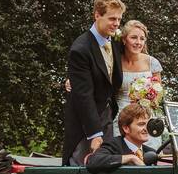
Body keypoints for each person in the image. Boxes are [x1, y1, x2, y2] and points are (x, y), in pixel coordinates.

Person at [66, 19, 165, 148]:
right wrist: (74, 79)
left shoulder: (152, 63)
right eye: (134, 37)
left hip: (146, 117)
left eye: (142, 38)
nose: (138, 42)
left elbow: (158, 93)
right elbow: (97, 76)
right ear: (124, 39)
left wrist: (149, 96)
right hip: (120, 117)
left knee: (150, 154)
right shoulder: (114, 61)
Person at [62, 0, 124, 166]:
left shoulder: (115, 42)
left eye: (119, 19)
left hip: (108, 116)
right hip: (85, 123)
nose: (117, 24)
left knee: (106, 168)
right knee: (82, 169)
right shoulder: (80, 49)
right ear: (97, 15)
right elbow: (83, 95)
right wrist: (95, 134)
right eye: (112, 18)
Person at [86, 103, 158, 173]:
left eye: (148, 124)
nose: (146, 128)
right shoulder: (113, 145)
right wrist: (131, 158)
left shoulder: (151, 152)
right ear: (126, 128)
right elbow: (93, 162)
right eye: (141, 124)